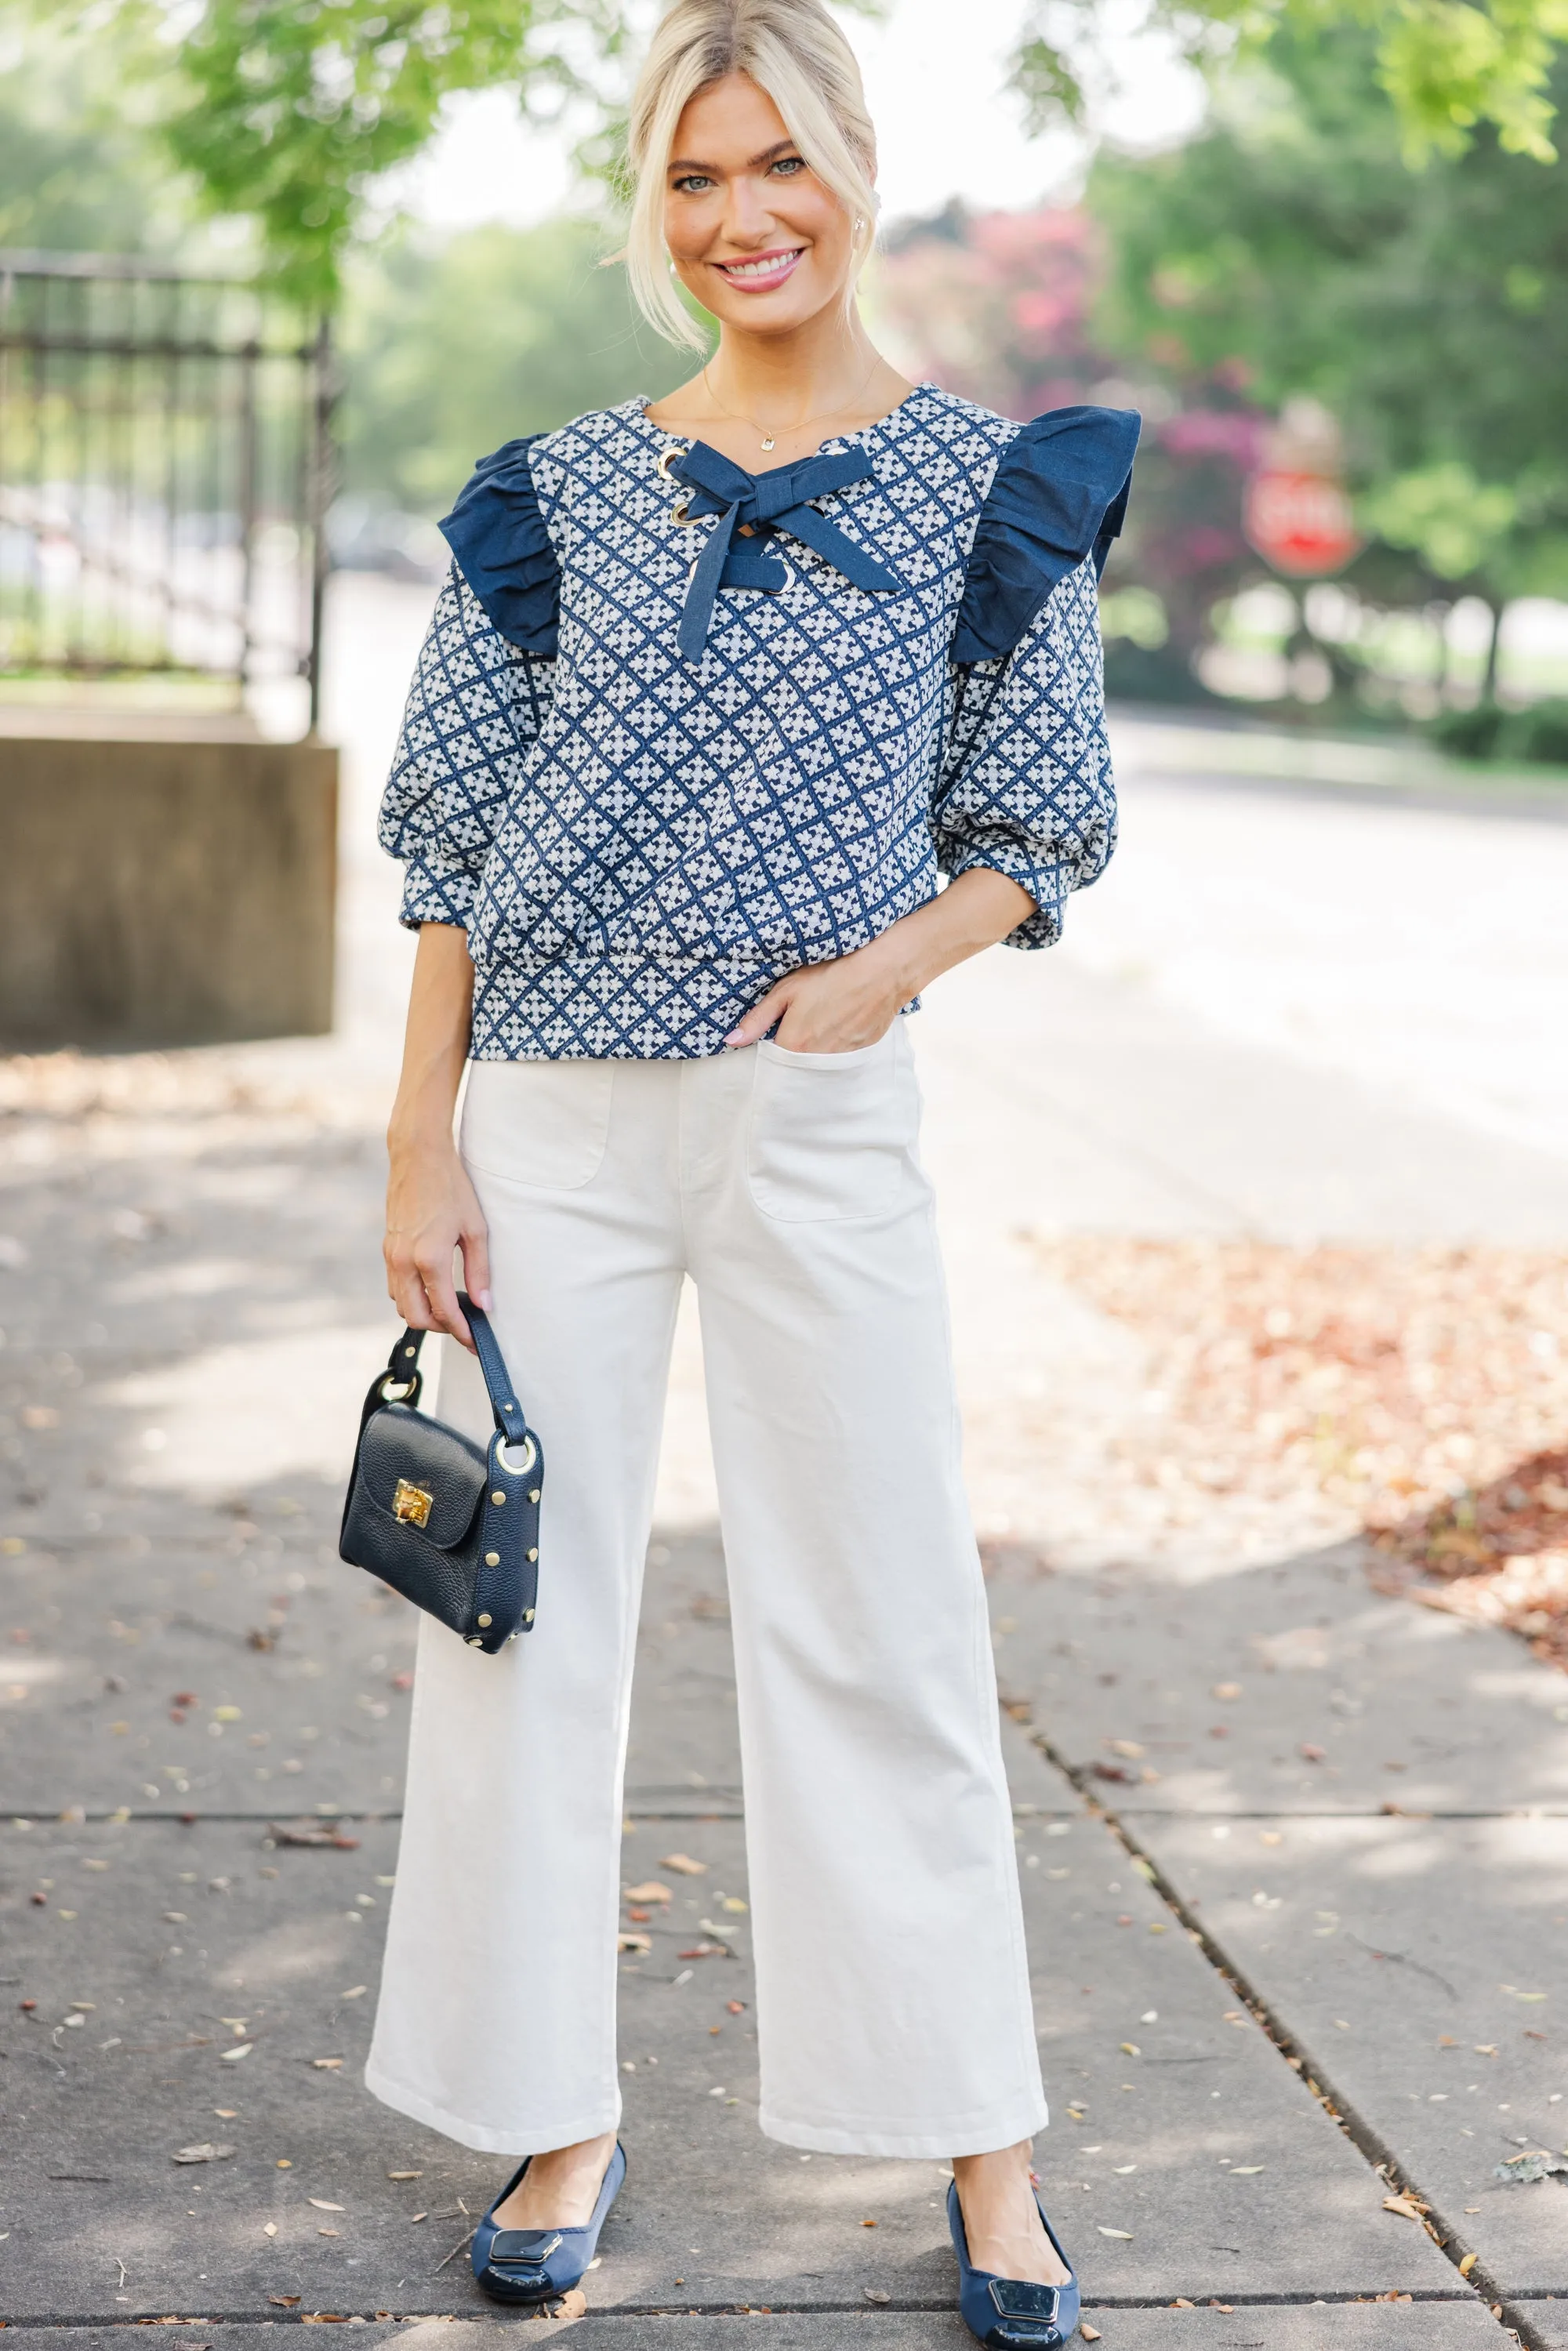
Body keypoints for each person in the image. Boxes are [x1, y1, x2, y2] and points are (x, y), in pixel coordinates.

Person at [366, 1, 1136, 2342]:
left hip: (812, 1107)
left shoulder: (992, 486)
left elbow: (1044, 821)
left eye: (773, 166)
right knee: (524, 1625)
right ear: (656, 204)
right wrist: (420, 1134)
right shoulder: (558, 490)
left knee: (886, 1613)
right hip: (549, 1128)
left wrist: (881, 977)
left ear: (855, 164)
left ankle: (983, 2145)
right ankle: (556, 2107)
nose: (740, 219)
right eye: (693, 180)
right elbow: (449, 837)